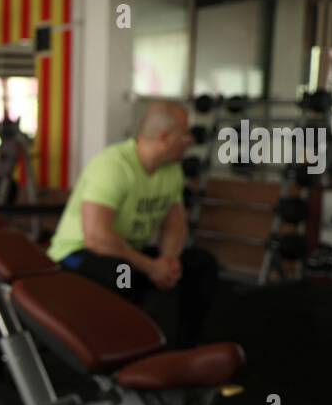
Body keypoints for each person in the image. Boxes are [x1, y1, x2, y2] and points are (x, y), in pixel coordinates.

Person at [46, 102, 218, 349]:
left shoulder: (171, 170)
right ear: (164, 138)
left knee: (200, 263)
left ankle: (185, 348)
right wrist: (150, 267)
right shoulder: (113, 166)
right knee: (124, 276)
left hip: (128, 253)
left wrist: (168, 260)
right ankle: (122, 349)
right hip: (76, 254)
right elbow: (96, 237)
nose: (190, 140)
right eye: (185, 134)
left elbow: (175, 223)